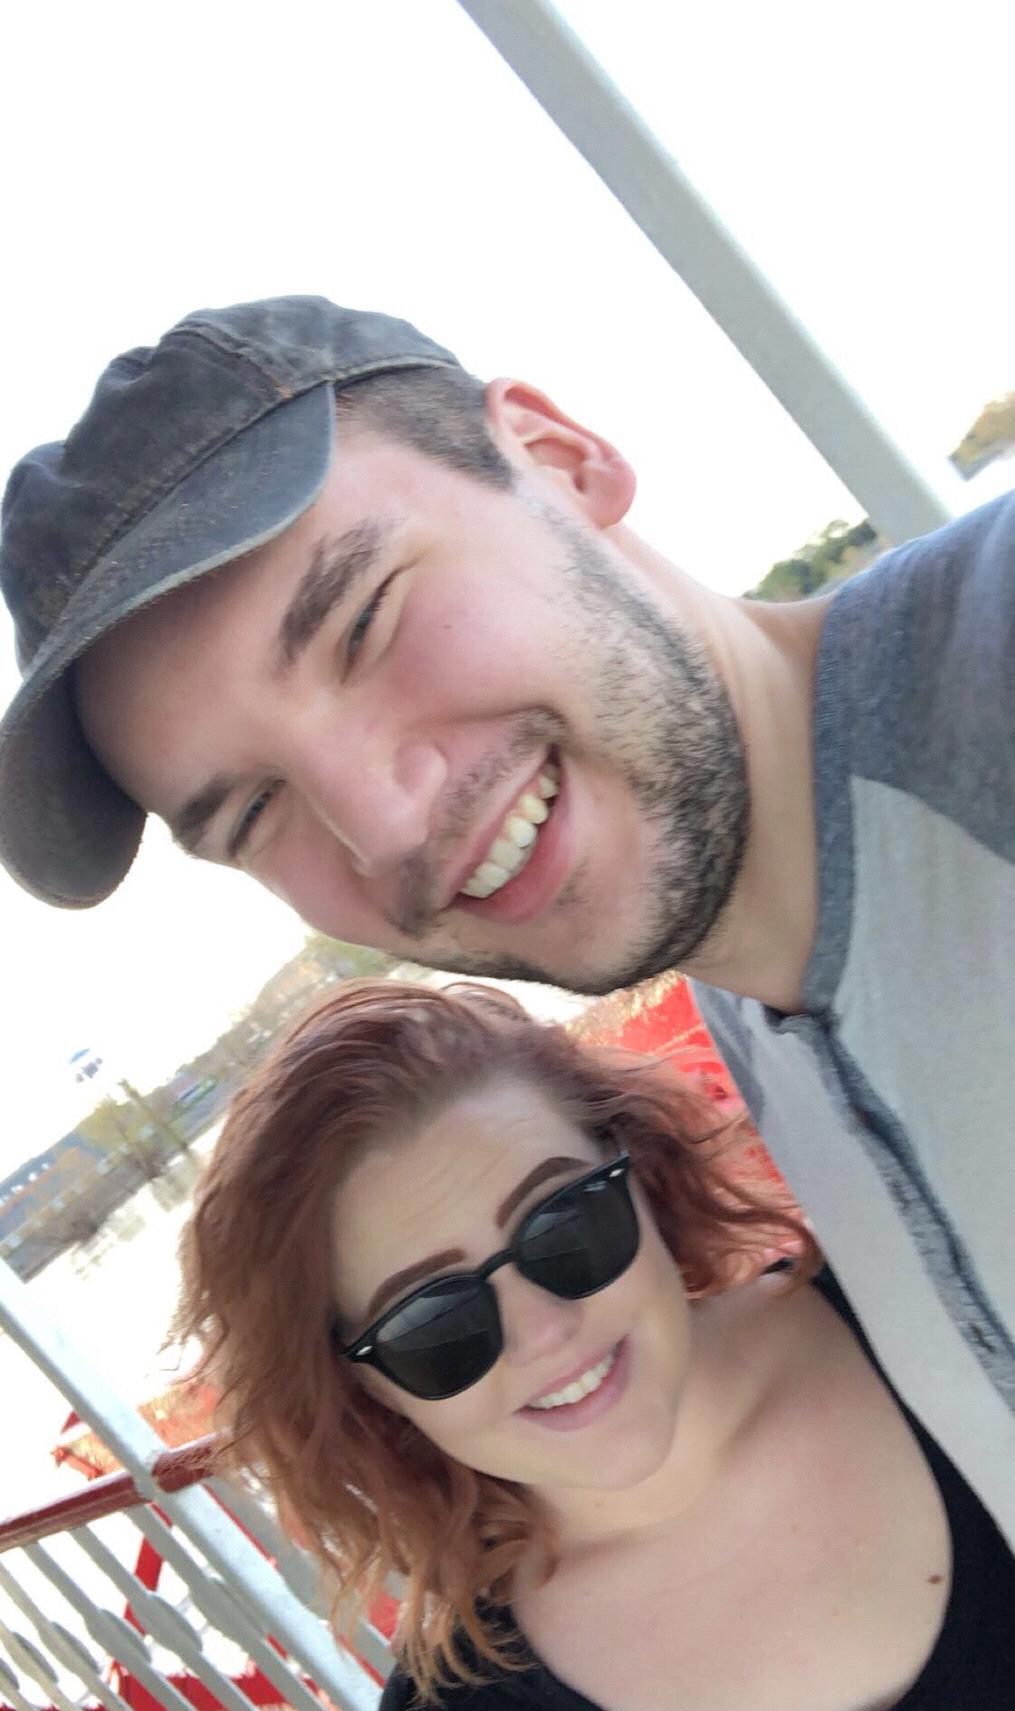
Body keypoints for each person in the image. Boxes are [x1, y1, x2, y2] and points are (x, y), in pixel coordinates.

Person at [1, 295, 1013, 1525]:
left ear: (561, 457)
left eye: (365, 620)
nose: (383, 824)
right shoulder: (761, 1017)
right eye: (257, 808)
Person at [175, 978, 1015, 1711]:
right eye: (434, 1322)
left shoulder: (947, 1309)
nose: (544, 1331)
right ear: (369, 1389)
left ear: (641, 1175)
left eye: (563, 1221)